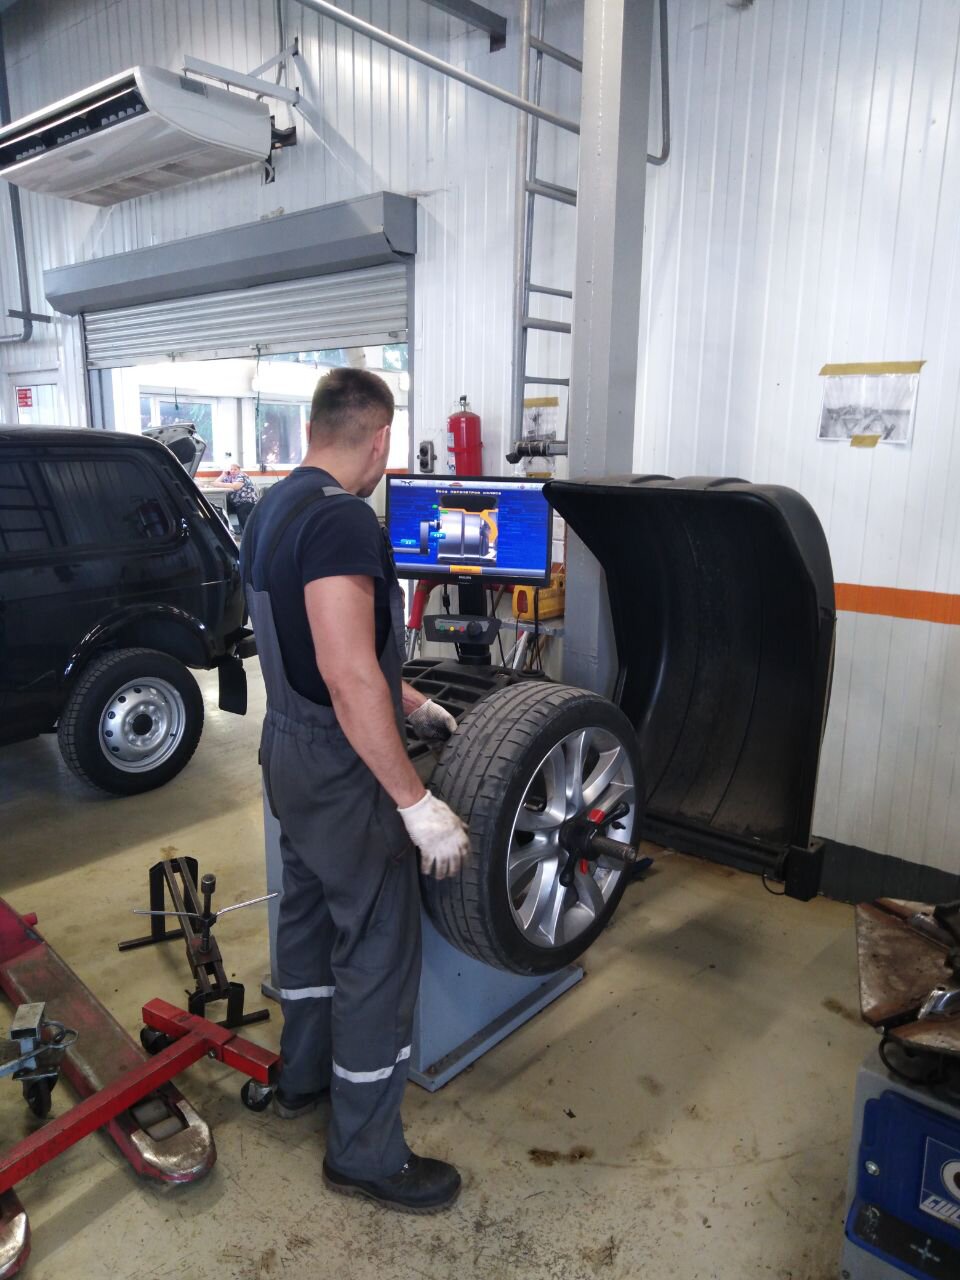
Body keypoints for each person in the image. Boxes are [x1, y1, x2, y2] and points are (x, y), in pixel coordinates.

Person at [240, 368, 469, 1214]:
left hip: (285, 748)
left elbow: (309, 643)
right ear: (379, 439)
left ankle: (303, 1078)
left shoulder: (273, 506)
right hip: (340, 764)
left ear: (313, 428)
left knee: (306, 917)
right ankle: (366, 1153)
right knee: (375, 949)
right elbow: (344, 673)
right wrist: (415, 803)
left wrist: (410, 701)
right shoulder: (342, 519)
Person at [217, 461, 259, 530]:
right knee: (222, 508)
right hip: (236, 502)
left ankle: (247, 531)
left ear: (239, 470)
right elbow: (216, 483)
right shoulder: (229, 477)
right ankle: (226, 530)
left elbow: (235, 486)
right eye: (231, 469)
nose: (232, 471)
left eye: (235, 469)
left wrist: (219, 484)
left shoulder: (242, 476)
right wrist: (223, 475)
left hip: (248, 501)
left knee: (241, 511)